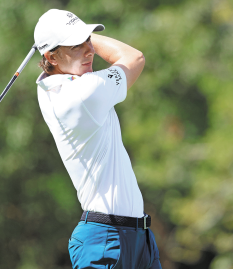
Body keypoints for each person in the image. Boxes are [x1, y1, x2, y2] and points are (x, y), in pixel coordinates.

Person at [33, 9, 162, 269]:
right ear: (51, 56)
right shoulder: (83, 93)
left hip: (137, 237)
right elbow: (133, 57)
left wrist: (75, 37)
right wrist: (89, 34)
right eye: (76, 45)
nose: (89, 50)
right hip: (106, 239)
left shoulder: (53, 87)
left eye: (88, 41)